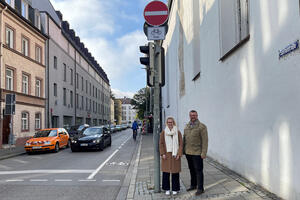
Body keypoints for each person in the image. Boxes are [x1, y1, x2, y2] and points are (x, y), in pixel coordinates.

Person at [183, 110, 208, 196]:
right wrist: (183, 151)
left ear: (197, 116)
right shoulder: (187, 126)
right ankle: (193, 185)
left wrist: (204, 153)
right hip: (188, 152)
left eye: (194, 115)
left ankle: (200, 188)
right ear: (189, 116)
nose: (192, 117)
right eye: (191, 115)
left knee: (198, 170)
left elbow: (205, 141)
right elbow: (184, 139)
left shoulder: (202, 127)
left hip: (197, 152)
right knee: (191, 170)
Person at [159, 117, 183, 196]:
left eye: (171, 122)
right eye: (168, 122)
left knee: (175, 173)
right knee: (166, 173)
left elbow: (181, 144)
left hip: (175, 155)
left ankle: (175, 189)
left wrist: (179, 154)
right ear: (167, 123)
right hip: (166, 155)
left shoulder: (178, 132)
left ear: (174, 123)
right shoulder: (163, 132)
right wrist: (162, 154)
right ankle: (167, 189)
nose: (170, 124)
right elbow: (161, 144)